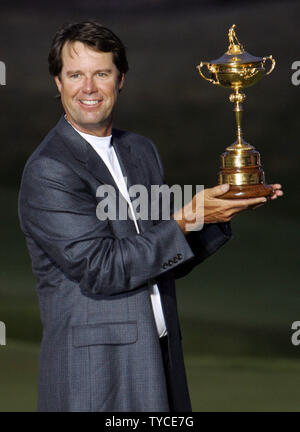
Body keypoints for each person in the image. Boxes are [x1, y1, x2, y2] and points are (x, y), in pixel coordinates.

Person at [18, 21, 282, 412]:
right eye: (75, 75)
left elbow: (157, 256)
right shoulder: (49, 170)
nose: (88, 88)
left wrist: (215, 214)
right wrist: (185, 218)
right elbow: (102, 267)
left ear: (120, 79)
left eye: (101, 73)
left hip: (160, 359)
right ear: (58, 82)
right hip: (96, 374)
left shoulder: (141, 151)